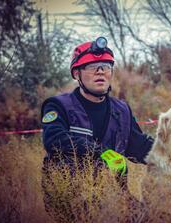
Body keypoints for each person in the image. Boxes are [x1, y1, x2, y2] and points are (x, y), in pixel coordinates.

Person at [41, 37, 154, 190]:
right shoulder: (58, 105)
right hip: (68, 195)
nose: (100, 71)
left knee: (147, 214)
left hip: (111, 194)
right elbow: (54, 139)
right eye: (92, 66)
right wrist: (101, 152)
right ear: (76, 74)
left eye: (105, 66)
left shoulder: (122, 110)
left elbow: (139, 146)